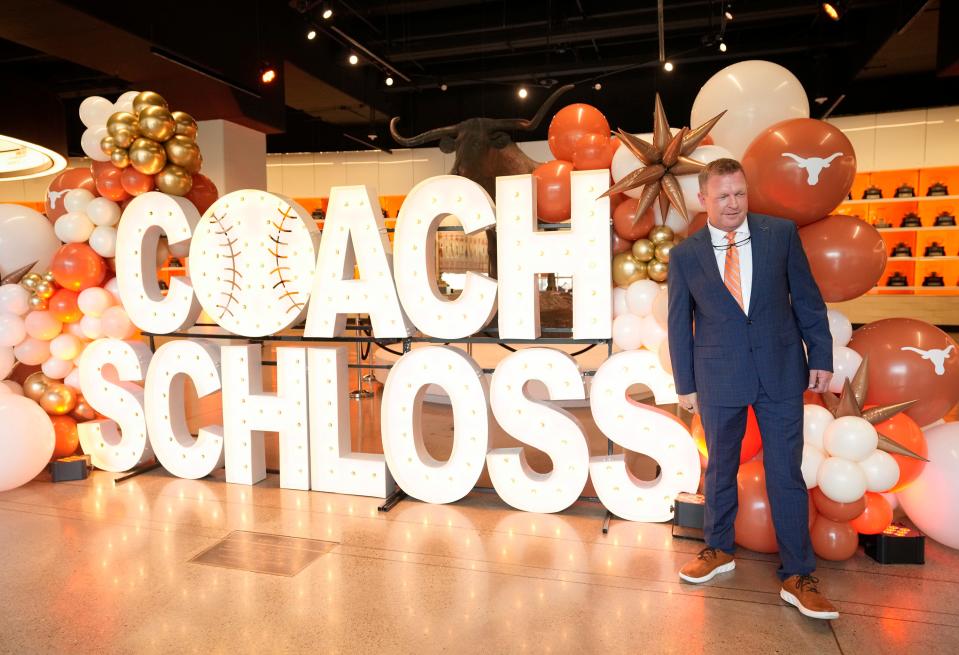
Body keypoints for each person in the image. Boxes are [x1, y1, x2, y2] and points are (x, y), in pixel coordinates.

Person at [666, 158, 838, 620]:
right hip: (717, 375)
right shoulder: (685, 256)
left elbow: (807, 299)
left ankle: (798, 574)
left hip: (781, 370)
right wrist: (685, 384)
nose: (733, 204)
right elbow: (679, 324)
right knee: (720, 468)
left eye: (739, 193)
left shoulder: (779, 234)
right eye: (722, 196)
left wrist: (820, 355)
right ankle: (718, 550)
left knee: (786, 472)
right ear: (703, 200)